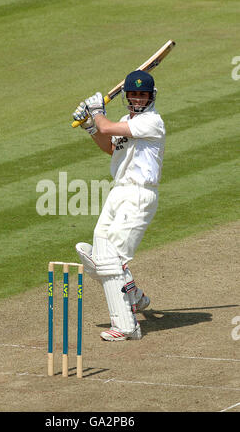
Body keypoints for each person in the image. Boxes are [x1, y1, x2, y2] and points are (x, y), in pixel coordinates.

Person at [73, 70, 166, 341]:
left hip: (139, 195)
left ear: (151, 96)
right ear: (127, 96)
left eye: (142, 94)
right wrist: (91, 125)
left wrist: (96, 112)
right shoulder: (127, 120)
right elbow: (110, 146)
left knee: (111, 261)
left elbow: (106, 126)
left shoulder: (153, 122)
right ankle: (133, 294)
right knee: (98, 252)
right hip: (118, 192)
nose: (138, 98)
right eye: (133, 94)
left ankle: (127, 326)